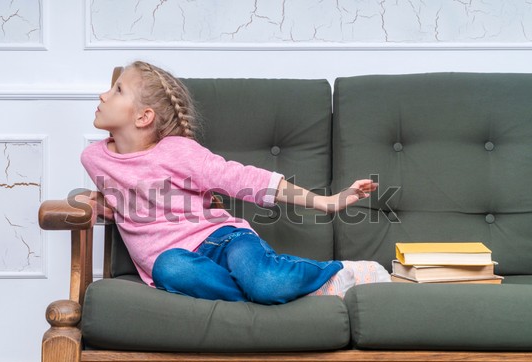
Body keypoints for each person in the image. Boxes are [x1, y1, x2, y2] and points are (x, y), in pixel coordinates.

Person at [80, 60, 390, 305]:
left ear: (143, 117)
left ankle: (336, 273)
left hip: (225, 239)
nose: (103, 95)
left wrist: (326, 201)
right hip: (176, 260)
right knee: (169, 268)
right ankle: (292, 294)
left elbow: (243, 179)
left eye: (117, 90)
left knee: (265, 282)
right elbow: (125, 198)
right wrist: (93, 203)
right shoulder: (95, 159)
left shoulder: (177, 151)